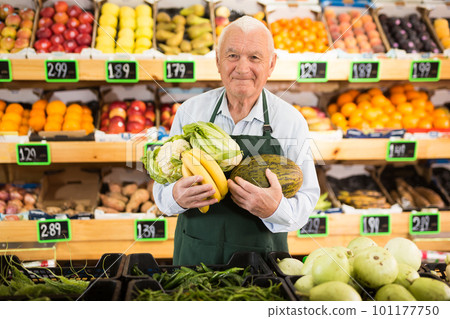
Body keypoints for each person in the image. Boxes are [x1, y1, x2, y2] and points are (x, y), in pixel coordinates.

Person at [153, 16, 320, 265]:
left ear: (271, 64)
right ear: (218, 62)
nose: (242, 68)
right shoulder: (190, 112)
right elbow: (160, 190)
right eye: (232, 56)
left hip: (263, 264)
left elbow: (306, 201)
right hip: (195, 259)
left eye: (255, 57)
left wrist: (275, 209)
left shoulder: (290, 121)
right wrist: (174, 197)